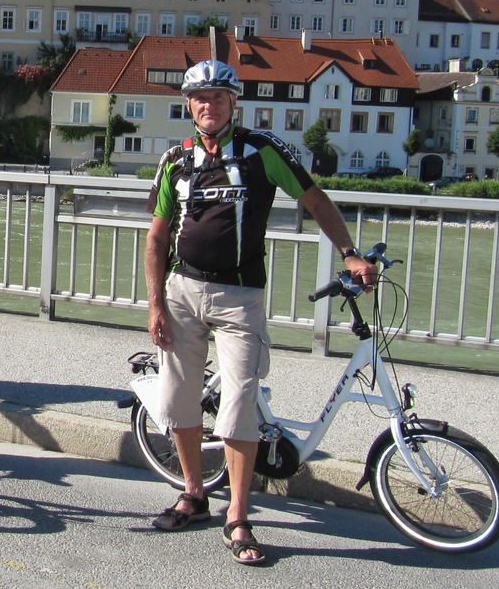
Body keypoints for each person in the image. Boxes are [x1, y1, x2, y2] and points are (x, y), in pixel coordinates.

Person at [145, 59, 376, 565]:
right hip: (183, 291)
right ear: (189, 106)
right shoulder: (174, 161)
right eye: (199, 98)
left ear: (234, 103)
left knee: (239, 405)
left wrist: (349, 253)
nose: (209, 105)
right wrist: (156, 302)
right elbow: (158, 234)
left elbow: (315, 200)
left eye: (218, 97)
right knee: (179, 401)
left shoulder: (262, 152)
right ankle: (194, 495)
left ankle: (239, 518)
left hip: (239, 298)